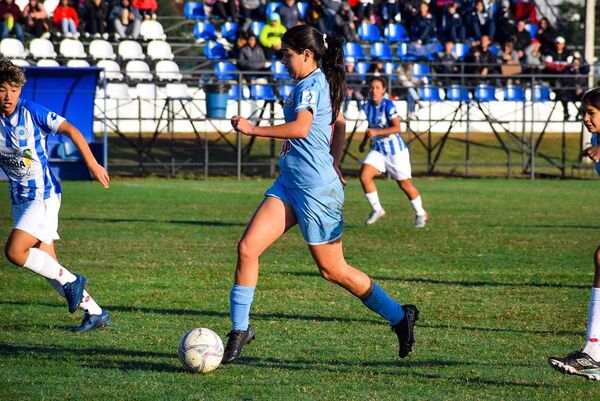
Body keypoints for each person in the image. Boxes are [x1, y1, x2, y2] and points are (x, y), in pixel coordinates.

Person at [223, 25, 419, 364]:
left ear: (307, 54)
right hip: (289, 184)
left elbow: (301, 128)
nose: (283, 60)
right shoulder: (310, 82)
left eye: (287, 54)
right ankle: (240, 330)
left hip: (315, 191)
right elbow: (339, 122)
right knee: (247, 248)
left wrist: (253, 129)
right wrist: (336, 160)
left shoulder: (312, 84)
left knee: (333, 270)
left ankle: (400, 317)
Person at [0, 59, 111, 333]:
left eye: (13, 89)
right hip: (19, 198)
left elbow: (72, 130)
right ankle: (96, 313)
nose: (8, 96)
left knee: (15, 251)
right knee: (49, 265)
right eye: (2, 89)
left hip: (44, 196)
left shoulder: (32, 112)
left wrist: (92, 163)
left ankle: (75, 282)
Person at [548, 88, 600, 380]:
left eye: (591, 112)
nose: (585, 118)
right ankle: (593, 351)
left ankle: (594, 352)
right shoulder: (595, 140)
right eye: (584, 113)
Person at [357, 77, 428, 227]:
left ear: (384, 90)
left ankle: (421, 213)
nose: (373, 90)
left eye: (377, 87)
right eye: (371, 87)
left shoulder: (388, 105)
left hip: (395, 152)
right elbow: (371, 128)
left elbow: (397, 128)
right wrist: (363, 143)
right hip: (378, 150)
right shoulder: (367, 106)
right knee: (364, 176)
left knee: (404, 185)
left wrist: (376, 132)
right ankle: (377, 209)